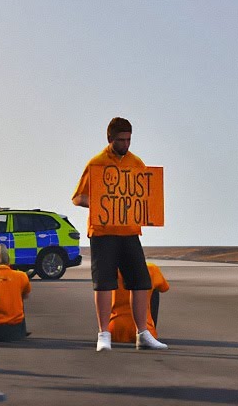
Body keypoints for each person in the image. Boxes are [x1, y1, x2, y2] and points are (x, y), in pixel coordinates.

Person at [71, 116, 168, 351]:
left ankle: (142, 333)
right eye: (121, 140)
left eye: (129, 140)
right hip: (103, 232)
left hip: (129, 232)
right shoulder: (96, 163)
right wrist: (103, 202)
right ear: (110, 138)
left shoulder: (136, 163)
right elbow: (77, 198)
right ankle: (103, 334)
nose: (126, 144)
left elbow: (144, 195)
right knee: (104, 283)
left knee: (141, 281)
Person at [108, 262, 170, 345]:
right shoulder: (151, 267)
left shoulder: (111, 268)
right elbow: (164, 288)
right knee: (153, 289)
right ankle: (146, 327)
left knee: (106, 291)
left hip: (113, 331)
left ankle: (105, 329)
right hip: (145, 330)